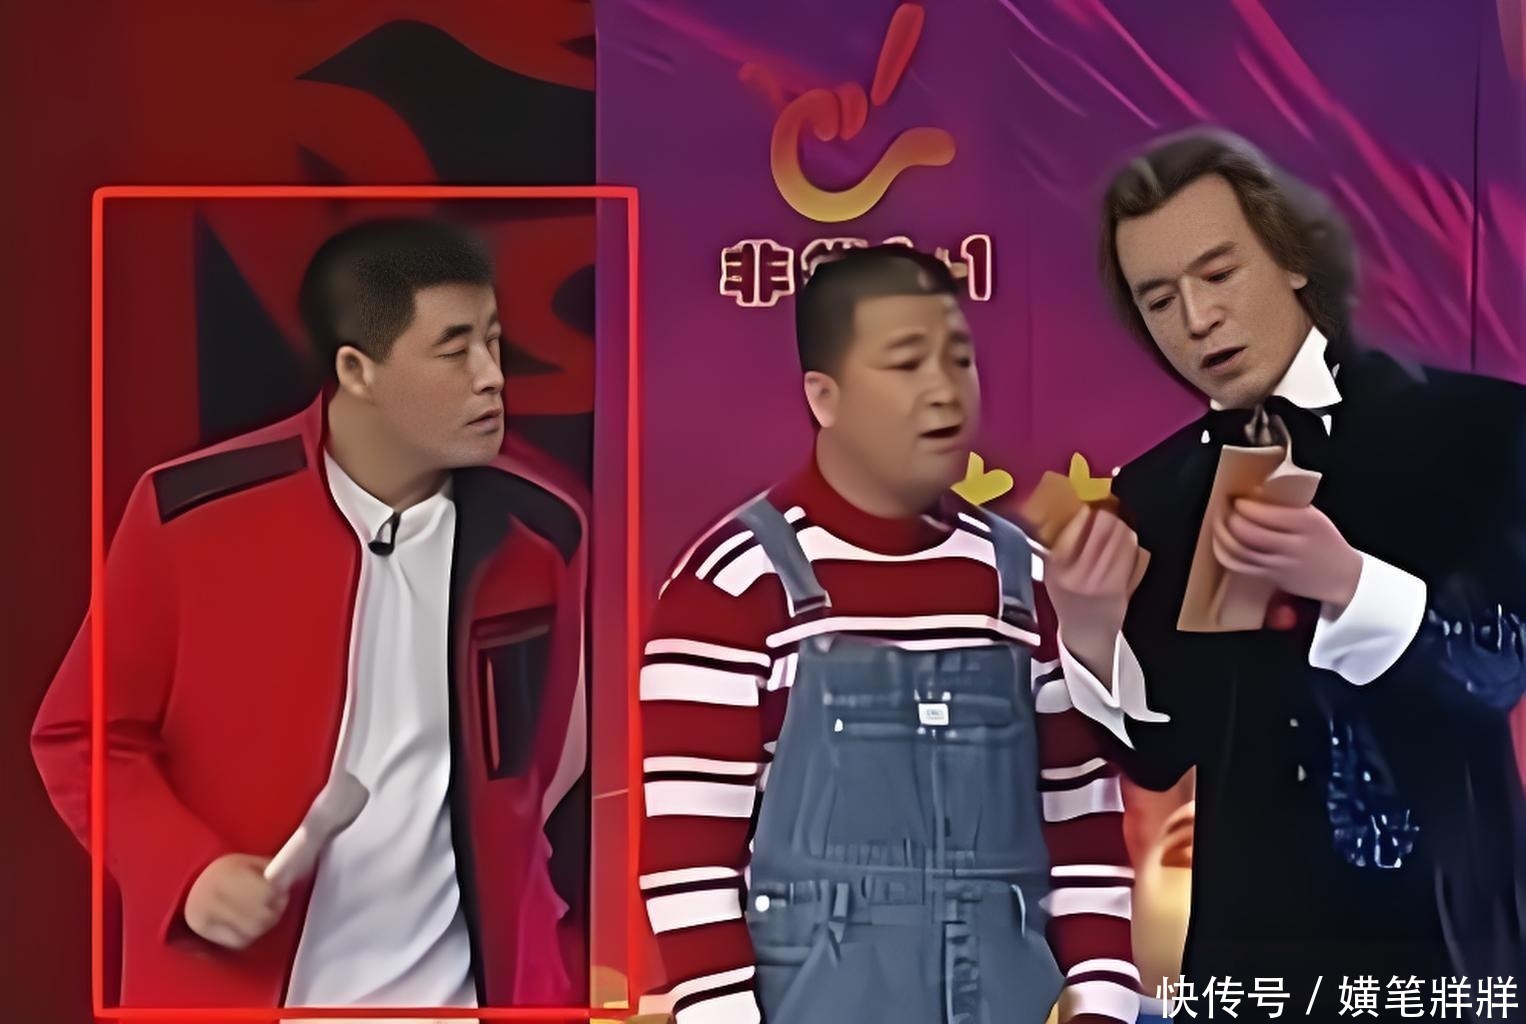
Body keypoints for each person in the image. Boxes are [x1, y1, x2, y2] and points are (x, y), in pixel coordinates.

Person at [32, 218, 590, 1010]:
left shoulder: (542, 535)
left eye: (494, 343)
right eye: (454, 350)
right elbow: (83, 735)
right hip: (249, 993)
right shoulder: (193, 516)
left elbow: (537, 770)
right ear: (356, 370)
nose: (491, 377)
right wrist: (185, 872)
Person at [1067, 129, 1526, 1017]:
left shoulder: (1479, 428)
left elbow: (1499, 664)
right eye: (1158, 299)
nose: (1195, 319)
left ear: (1292, 258)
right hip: (1251, 968)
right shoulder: (1154, 491)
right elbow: (1163, 754)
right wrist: (1090, 635)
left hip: (1445, 951)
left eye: (1218, 274)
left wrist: (1349, 581)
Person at [639, 245, 1147, 1024]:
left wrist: (1102, 1008)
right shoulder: (733, 585)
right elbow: (687, 868)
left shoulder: (1026, 583)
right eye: (906, 364)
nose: (944, 390)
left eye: (959, 359)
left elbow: (1085, 840)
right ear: (824, 397)